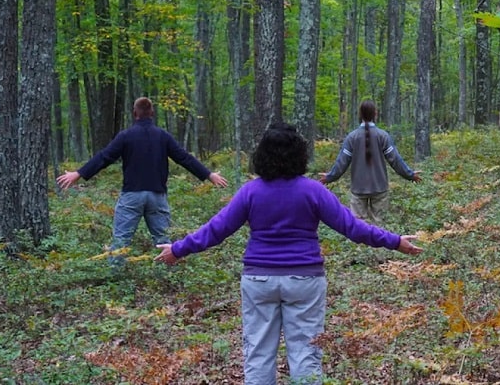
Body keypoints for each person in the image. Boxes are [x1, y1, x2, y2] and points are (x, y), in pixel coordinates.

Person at [155, 122, 423, 385]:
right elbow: (352, 227)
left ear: (262, 156)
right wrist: (395, 241)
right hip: (305, 281)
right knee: (306, 354)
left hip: (259, 281)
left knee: (258, 354)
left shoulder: (251, 191)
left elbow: (217, 229)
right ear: (299, 154)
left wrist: (178, 249)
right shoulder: (313, 190)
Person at [56, 97, 228, 264]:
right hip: (157, 197)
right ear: (152, 112)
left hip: (132, 196)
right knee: (162, 240)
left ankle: (114, 278)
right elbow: (184, 158)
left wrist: (78, 173)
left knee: (121, 241)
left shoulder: (126, 136)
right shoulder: (163, 136)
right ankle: (168, 277)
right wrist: (209, 175)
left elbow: (104, 157)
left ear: (134, 113)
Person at [320, 99, 421, 223]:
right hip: (380, 187)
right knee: (380, 228)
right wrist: (410, 175)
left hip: (358, 188)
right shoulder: (383, 136)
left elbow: (342, 162)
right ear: (375, 114)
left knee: (357, 227)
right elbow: (395, 160)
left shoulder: (352, 137)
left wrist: (330, 177)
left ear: (360, 115)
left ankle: (360, 243)